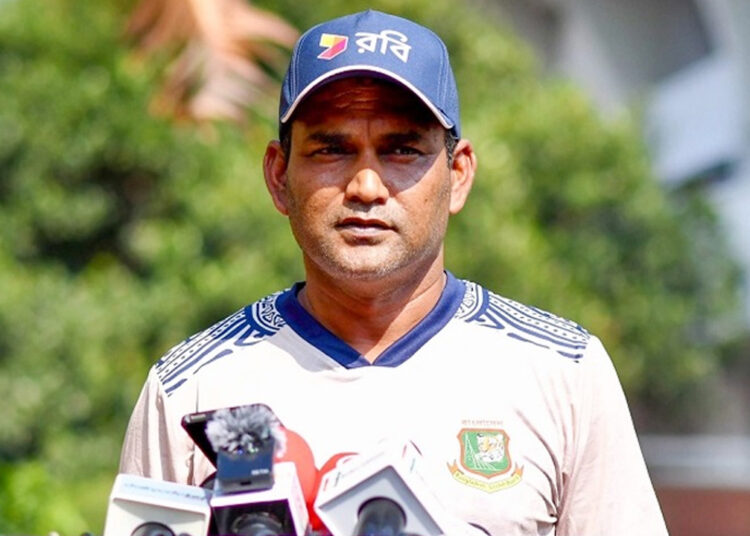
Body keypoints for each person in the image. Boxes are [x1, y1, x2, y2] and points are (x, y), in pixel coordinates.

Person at [120, 9, 668, 535]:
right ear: (279, 176)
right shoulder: (193, 387)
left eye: (402, 150)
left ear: (458, 175)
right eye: (331, 149)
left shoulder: (562, 373)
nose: (365, 186)